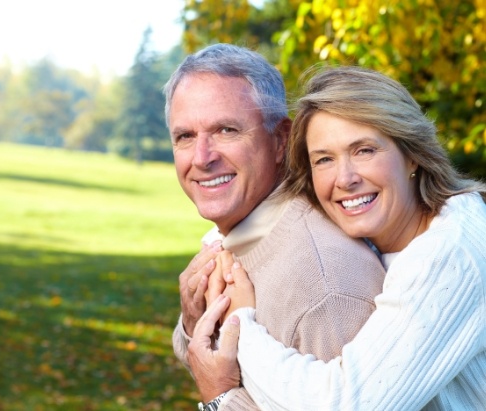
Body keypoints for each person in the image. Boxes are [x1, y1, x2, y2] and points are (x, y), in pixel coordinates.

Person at [190, 65, 486, 410]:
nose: (344, 179)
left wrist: (242, 327)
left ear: (413, 155)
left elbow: (349, 404)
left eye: (364, 150)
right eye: (324, 159)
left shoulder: (452, 252)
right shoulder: (386, 238)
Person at [164, 44, 386, 411]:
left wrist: (220, 397)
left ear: (281, 140)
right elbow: (218, 365)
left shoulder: (327, 285)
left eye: (225, 130)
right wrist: (193, 323)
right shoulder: (243, 236)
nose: (202, 158)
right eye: (185, 136)